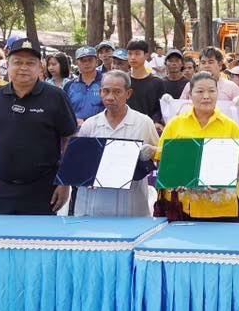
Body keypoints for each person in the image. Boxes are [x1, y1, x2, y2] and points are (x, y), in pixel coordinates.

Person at [0, 38, 78, 215]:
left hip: (44, 190)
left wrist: (65, 183)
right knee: (0, 234)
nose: (23, 67)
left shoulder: (56, 97)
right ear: (7, 66)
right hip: (1, 190)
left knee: (41, 234)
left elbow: (70, 141)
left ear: (40, 67)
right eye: (17, 62)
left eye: (30, 63)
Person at [154, 72, 239, 222]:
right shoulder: (175, 125)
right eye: (200, 91)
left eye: (211, 91)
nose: (206, 96)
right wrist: (175, 179)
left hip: (222, 209)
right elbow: (161, 161)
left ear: (217, 93)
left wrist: (222, 177)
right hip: (182, 207)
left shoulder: (230, 126)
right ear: (190, 95)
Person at [73, 70, 160, 217]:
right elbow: (78, 164)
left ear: (128, 93)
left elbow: (159, 157)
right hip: (94, 207)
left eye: (117, 92)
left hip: (132, 207)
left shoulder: (143, 123)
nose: (110, 97)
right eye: (106, 91)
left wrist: (152, 152)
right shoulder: (90, 125)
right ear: (100, 92)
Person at [125, 39, 165, 128]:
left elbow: (159, 109)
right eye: (130, 54)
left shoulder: (157, 82)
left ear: (146, 56)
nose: (133, 57)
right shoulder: (123, 80)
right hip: (125, 126)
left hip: (148, 127)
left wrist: (155, 122)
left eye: (137, 54)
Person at [64, 46, 105, 124]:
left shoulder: (106, 82)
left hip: (100, 127)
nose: (87, 63)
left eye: (90, 60)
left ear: (96, 62)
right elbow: (64, 110)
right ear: (77, 63)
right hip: (75, 128)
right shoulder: (69, 85)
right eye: (83, 60)